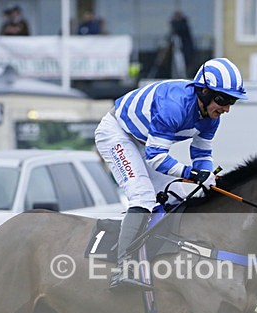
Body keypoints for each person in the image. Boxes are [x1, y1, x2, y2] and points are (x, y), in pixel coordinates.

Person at [94, 57, 247, 290]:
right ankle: (123, 267)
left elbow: (202, 154)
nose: (226, 108)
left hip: (145, 141)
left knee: (175, 196)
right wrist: (192, 173)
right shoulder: (174, 105)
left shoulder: (211, 117)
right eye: (222, 99)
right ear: (203, 92)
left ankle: (159, 259)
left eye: (232, 102)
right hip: (117, 133)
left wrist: (206, 175)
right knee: (143, 196)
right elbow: (156, 157)